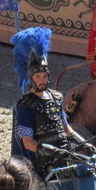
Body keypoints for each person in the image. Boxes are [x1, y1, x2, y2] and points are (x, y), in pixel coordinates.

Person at [10, 26, 78, 177]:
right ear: (30, 78)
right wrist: (48, 150)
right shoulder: (25, 106)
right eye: (38, 77)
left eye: (44, 76)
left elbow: (65, 127)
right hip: (43, 165)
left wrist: (82, 142)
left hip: (65, 157)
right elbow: (27, 142)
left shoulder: (56, 97)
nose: (42, 80)